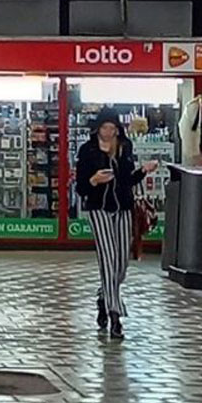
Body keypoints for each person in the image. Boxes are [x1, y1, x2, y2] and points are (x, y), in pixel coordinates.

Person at [76, 110, 160, 339]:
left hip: (123, 209)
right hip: (98, 209)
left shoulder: (125, 147)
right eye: (105, 128)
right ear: (98, 129)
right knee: (107, 259)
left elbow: (127, 181)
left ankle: (104, 296)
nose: (108, 133)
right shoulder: (87, 150)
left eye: (112, 128)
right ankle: (115, 315)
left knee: (121, 263)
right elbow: (80, 187)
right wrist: (94, 180)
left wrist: (143, 171)